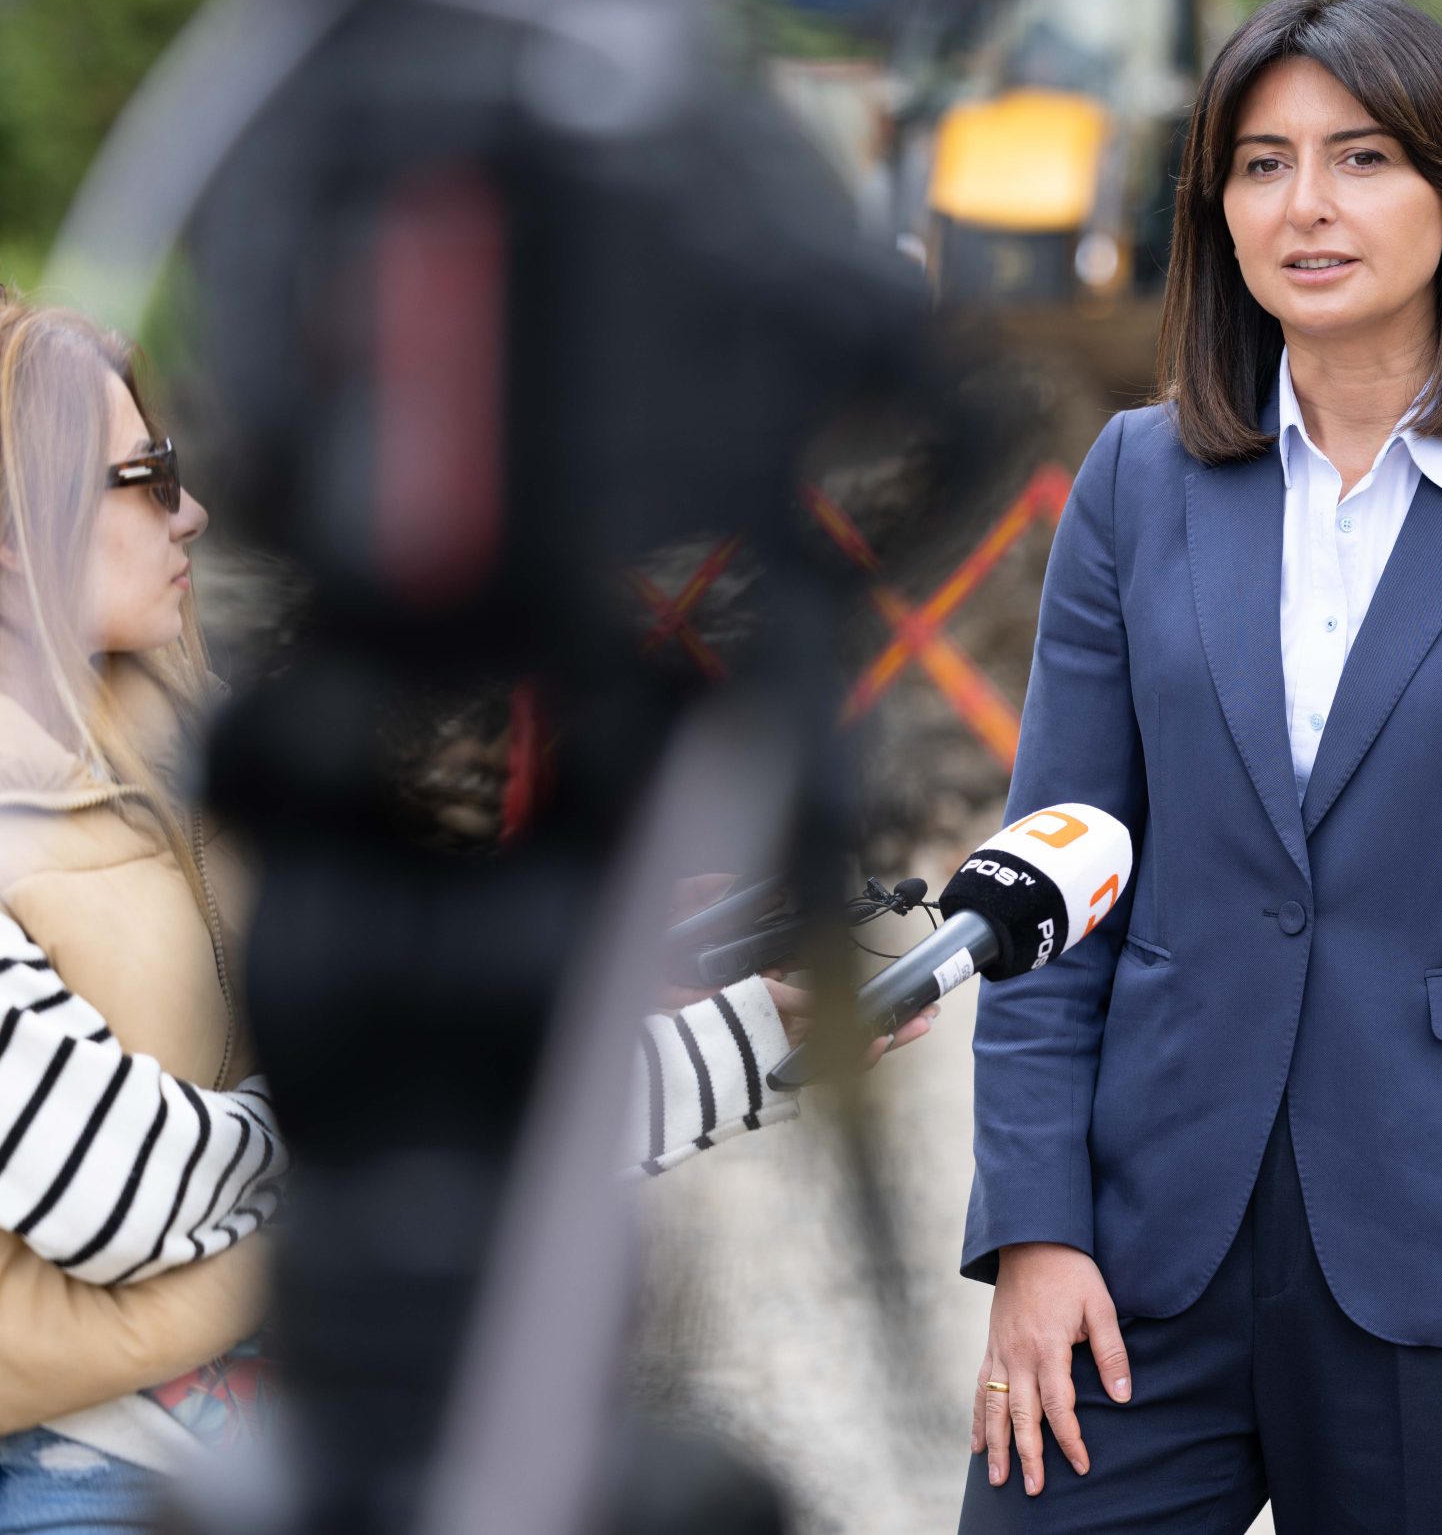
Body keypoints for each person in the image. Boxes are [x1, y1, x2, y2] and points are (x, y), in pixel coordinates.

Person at [0, 292, 929, 1529]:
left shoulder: (178, 745)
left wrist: (691, 1013)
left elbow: (399, 1072)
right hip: (78, 1483)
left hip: (295, 1436)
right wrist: (398, 1120)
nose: (194, 511)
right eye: (149, 475)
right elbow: (128, 1191)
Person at [962, 0, 1442, 1533]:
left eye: (1361, 158)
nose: (1305, 204)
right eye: (1261, 163)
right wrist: (1032, 1228)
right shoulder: (1135, 483)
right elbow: (1048, 882)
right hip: (1142, 1243)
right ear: (1216, 211)